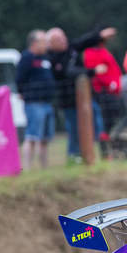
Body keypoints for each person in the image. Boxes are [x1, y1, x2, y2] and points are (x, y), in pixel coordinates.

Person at [47, 26, 115, 162]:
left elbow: (85, 41)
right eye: (58, 39)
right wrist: (92, 71)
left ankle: (104, 153)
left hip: (87, 96)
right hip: (68, 101)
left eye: (63, 37)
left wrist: (100, 36)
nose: (63, 41)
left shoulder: (71, 48)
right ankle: (74, 156)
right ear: (51, 44)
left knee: (98, 123)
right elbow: (68, 72)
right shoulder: (51, 58)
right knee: (74, 130)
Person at [15, 30, 56, 169]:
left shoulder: (45, 58)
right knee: (32, 137)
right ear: (34, 43)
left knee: (44, 139)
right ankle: (27, 168)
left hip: (47, 103)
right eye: (43, 41)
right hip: (34, 103)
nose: (46, 45)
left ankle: (44, 168)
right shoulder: (27, 57)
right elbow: (19, 78)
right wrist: (23, 92)